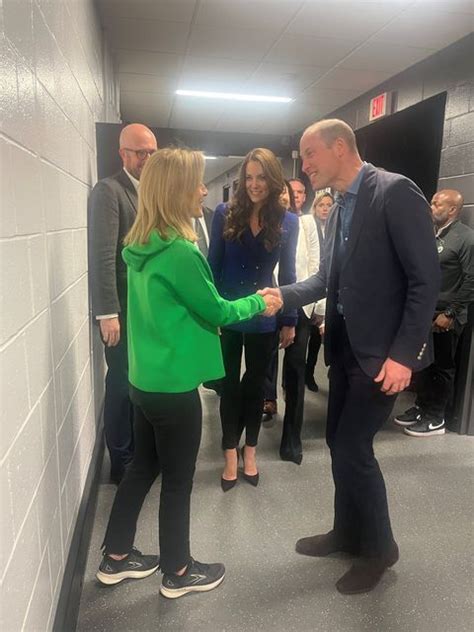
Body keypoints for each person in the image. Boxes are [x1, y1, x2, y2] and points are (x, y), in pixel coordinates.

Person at [259, 119, 440, 594]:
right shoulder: (338, 208)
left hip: (383, 356)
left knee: (355, 448)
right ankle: (346, 532)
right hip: (343, 348)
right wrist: (282, 294)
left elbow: (425, 282)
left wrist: (404, 355)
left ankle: (380, 549)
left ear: (340, 147)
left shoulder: (395, 193)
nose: (305, 165)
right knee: (341, 445)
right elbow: (326, 280)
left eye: (310, 154)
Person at [95, 147, 282, 598]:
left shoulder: (138, 244)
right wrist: (262, 301)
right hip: (174, 387)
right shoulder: (179, 251)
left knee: (143, 467)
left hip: (145, 380)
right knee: (178, 482)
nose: (203, 189)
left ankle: (115, 557)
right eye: (196, 182)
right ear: (177, 189)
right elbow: (215, 308)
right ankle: (178, 572)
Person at [208, 149, 299, 490]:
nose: (254, 184)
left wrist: (289, 318)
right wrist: (211, 312)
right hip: (229, 313)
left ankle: (250, 451)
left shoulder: (287, 220)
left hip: (265, 312)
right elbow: (213, 265)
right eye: (249, 177)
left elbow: (288, 274)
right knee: (229, 385)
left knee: (257, 385)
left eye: (261, 177)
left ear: (273, 179)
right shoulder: (224, 213)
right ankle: (230, 451)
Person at [88, 123, 158, 484]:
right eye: (139, 152)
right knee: (119, 385)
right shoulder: (109, 191)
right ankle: (121, 462)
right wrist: (107, 313)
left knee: (137, 384)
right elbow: (102, 257)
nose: (146, 159)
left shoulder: (148, 193)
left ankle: (137, 452)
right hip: (120, 313)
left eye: (150, 152)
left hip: (144, 312)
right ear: (123, 154)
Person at [395, 189, 474, 436]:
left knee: (441, 367)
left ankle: (435, 417)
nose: (431, 207)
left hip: (446, 316)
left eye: (436, 204)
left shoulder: (466, 238)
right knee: (425, 365)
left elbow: (471, 279)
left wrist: (450, 313)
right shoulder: (432, 235)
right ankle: (421, 407)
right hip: (426, 313)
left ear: (453, 209)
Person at [263, 179, 296, 419]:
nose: (283, 196)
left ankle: (274, 397)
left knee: (287, 359)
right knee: (269, 355)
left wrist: (290, 316)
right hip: (267, 295)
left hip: (291, 296)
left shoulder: (297, 222)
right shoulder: (265, 220)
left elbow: (294, 269)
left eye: (288, 192)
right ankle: (268, 397)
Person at [305, 191, 334, 392]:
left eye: (328, 205)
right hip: (310, 288)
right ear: (314, 208)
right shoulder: (308, 227)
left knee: (316, 339)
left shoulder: (336, 229)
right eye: (321, 205)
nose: (325, 208)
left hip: (327, 291)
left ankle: (309, 374)